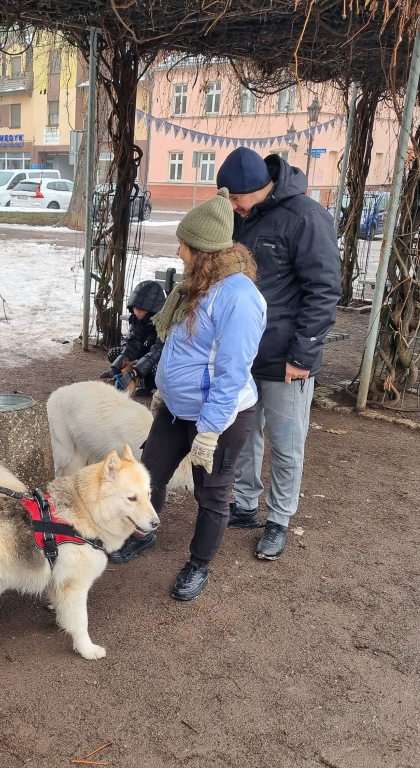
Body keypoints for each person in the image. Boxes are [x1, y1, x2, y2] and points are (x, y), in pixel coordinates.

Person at [106, 190, 266, 601]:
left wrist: (210, 432)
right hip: (177, 411)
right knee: (149, 473)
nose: (178, 251)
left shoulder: (239, 299)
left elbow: (231, 375)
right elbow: (180, 349)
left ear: (204, 250)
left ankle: (198, 565)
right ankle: (142, 533)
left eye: (184, 244)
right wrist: (162, 390)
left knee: (211, 493)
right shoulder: (195, 287)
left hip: (220, 419)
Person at [216, 147, 341, 561]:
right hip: (243, 354)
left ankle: (280, 518)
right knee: (246, 437)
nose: (231, 207)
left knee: (287, 443)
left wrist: (303, 356)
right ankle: (247, 505)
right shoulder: (240, 215)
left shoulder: (305, 216)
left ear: (259, 187)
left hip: (287, 357)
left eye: (236, 198)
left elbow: (323, 291)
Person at [103, 280, 167, 396]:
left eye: (140, 309)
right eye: (134, 308)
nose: (136, 312)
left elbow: (157, 351)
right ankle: (134, 380)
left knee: (156, 368)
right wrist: (114, 369)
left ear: (152, 309)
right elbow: (132, 345)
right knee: (114, 353)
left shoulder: (164, 323)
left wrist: (135, 371)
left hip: (160, 359)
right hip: (144, 355)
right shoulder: (137, 319)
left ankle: (153, 387)